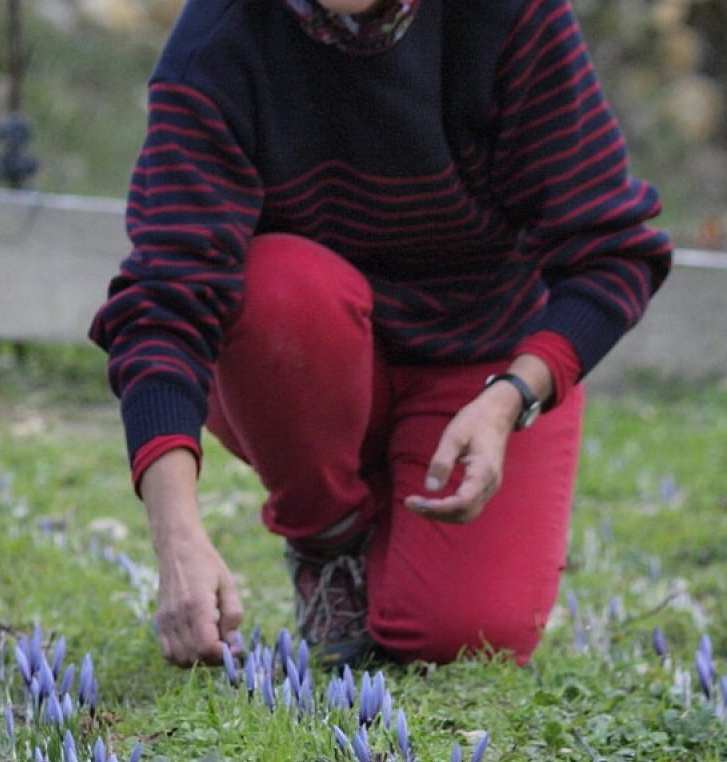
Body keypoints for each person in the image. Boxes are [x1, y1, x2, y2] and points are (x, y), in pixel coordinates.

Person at [90, 0, 672, 670]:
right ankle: (328, 537)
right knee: (274, 287)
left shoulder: (512, 17)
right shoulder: (218, 43)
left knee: (462, 636)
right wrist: (176, 537)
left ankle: (397, 526)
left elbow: (614, 250)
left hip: (480, 368)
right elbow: (165, 298)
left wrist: (513, 395)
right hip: (311, 358)